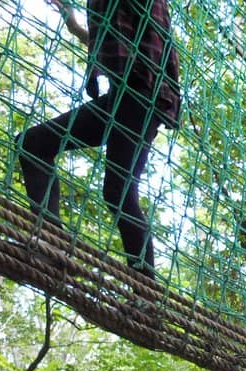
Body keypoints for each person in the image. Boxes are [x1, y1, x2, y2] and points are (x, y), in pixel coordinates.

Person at [15, 0, 181, 282]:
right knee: (32, 145)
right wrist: (74, 23)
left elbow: (151, 43)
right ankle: (51, 245)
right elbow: (114, 37)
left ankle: (147, 294)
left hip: (140, 96)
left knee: (119, 192)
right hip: (126, 97)